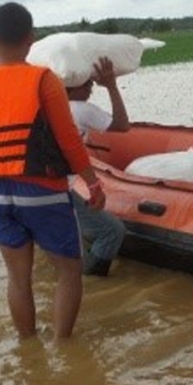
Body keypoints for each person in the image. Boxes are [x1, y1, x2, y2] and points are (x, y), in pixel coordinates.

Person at [0, 2, 106, 340]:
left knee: (18, 278)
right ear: (31, 39)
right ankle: (63, 348)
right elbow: (69, 140)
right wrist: (92, 183)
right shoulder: (43, 80)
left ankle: (29, 350)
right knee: (69, 271)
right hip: (41, 192)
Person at [65, 56, 130, 276]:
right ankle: (93, 281)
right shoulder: (81, 109)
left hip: (44, 187)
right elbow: (122, 125)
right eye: (87, 84)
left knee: (71, 249)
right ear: (72, 86)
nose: (91, 88)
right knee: (112, 231)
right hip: (60, 190)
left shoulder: (50, 106)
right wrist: (111, 86)